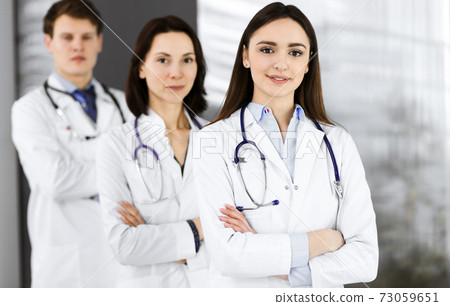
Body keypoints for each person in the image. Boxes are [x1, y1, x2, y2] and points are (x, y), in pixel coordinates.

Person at [193, 2, 378, 287]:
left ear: (307, 63)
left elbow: (366, 260)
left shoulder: (337, 142)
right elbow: (228, 255)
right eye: (267, 50)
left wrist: (274, 260)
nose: (281, 63)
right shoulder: (212, 140)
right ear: (245, 56)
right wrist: (323, 241)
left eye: (295, 52)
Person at [11, 0, 131, 287]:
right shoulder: (29, 109)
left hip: (122, 262)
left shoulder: (126, 105)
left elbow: (148, 175)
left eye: (86, 37)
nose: (78, 46)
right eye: (67, 37)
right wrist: (120, 171)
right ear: (48, 42)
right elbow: (55, 180)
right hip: (65, 267)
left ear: (99, 42)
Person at [96, 16, 209, 287]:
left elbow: (241, 238)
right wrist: (202, 230)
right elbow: (124, 246)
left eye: (187, 60)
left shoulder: (219, 138)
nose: (176, 72)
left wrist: (152, 237)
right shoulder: (115, 144)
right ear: (141, 68)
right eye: (163, 60)